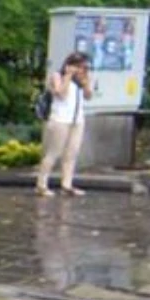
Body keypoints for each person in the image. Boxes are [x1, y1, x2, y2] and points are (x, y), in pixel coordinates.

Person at [37, 52, 92, 197]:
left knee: (71, 153)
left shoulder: (82, 79)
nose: (81, 70)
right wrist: (67, 76)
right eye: (79, 66)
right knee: (53, 153)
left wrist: (86, 83)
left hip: (77, 120)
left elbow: (88, 96)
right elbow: (61, 94)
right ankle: (42, 184)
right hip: (60, 119)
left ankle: (67, 184)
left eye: (84, 67)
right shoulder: (57, 76)